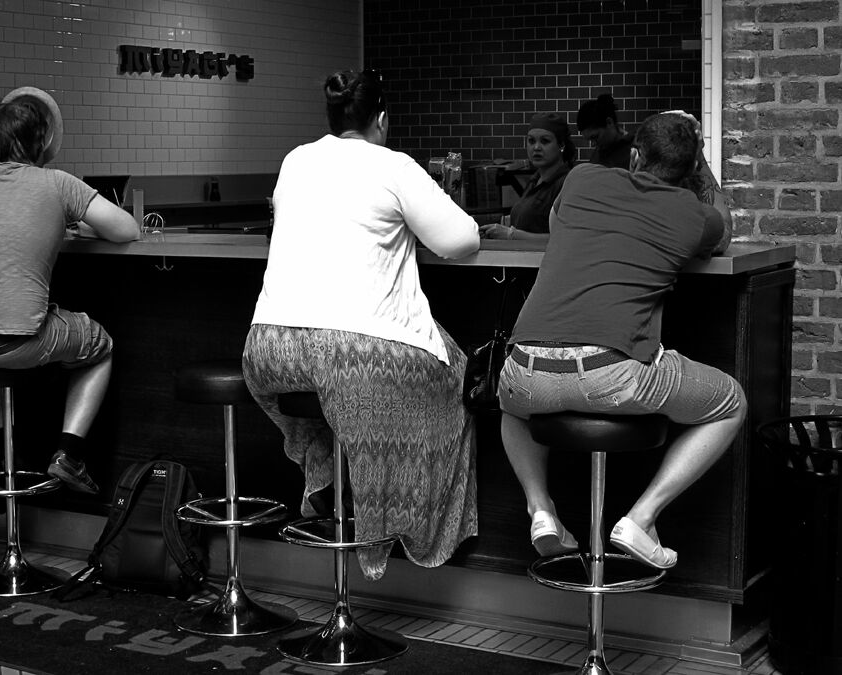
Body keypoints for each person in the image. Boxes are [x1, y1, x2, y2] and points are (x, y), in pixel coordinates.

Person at [242, 69, 481, 580]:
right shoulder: (392, 165)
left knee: (336, 402)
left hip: (267, 351)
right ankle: (399, 522)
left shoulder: (295, 160)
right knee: (459, 380)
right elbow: (462, 240)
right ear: (383, 120)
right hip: (349, 355)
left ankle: (329, 476)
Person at [496, 112, 746, 569]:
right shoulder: (692, 215)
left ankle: (541, 509)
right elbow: (725, 233)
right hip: (609, 373)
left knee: (512, 406)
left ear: (633, 156)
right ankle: (641, 518)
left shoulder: (582, 178)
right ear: (691, 168)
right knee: (730, 402)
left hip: (523, 369)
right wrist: (701, 163)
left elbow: (555, 221)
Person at [0, 86, 140, 495]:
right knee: (99, 345)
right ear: (42, 141)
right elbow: (127, 229)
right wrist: (78, 224)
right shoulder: (57, 184)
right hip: (18, 343)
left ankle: (7, 445)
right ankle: (69, 455)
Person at [480, 112, 574, 243]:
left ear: (561, 145)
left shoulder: (567, 183)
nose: (536, 147)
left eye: (545, 141)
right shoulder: (535, 180)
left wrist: (511, 235)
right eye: (531, 141)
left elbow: (566, 238)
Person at [577, 93, 634, 169]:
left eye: (595, 137)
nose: (593, 144)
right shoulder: (599, 152)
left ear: (609, 122)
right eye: (590, 140)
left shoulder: (635, 151)